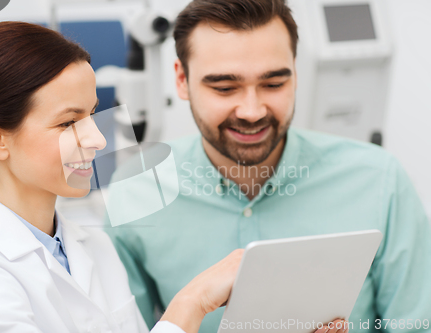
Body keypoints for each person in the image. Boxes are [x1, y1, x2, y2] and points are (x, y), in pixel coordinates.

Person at [104, 0, 431, 332]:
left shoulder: (379, 181)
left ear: (296, 73)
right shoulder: (136, 190)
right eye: (225, 87)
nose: (252, 110)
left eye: (274, 84)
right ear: (182, 80)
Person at [0, 21, 251, 333]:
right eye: (68, 122)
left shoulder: (95, 245)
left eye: (92, 113)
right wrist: (191, 304)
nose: (98, 139)